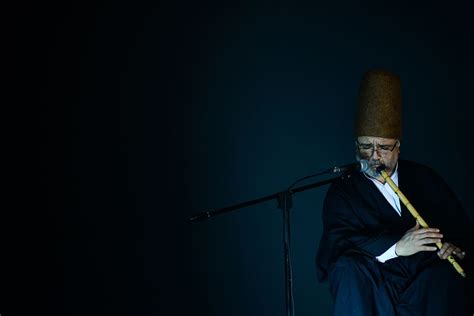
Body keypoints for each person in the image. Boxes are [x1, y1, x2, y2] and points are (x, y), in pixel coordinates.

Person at [315, 69, 474, 315]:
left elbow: (460, 230)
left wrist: (457, 249)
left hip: (423, 282)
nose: (374, 156)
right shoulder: (343, 190)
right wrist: (398, 247)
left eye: (384, 147)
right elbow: (339, 244)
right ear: (356, 147)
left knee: (447, 277)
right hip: (375, 283)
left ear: (398, 147)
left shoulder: (426, 179)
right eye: (366, 146)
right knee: (347, 269)